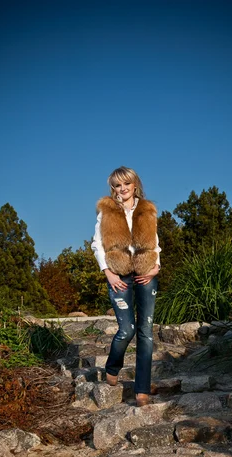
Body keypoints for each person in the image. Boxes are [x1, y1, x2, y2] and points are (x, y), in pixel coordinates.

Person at [91, 166, 161, 406]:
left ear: (134, 185)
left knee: (146, 332)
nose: (122, 189)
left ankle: (141, 390)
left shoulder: (147, 210)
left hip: (146, 274)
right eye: (117, 185)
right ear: (114, 188)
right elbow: (97, 245)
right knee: (127, 329)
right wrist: (108, 273)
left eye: (126, 184)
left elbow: (155, 244)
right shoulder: (107, 211)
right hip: (119, 276)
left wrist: (155, 268)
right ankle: (113, 365)